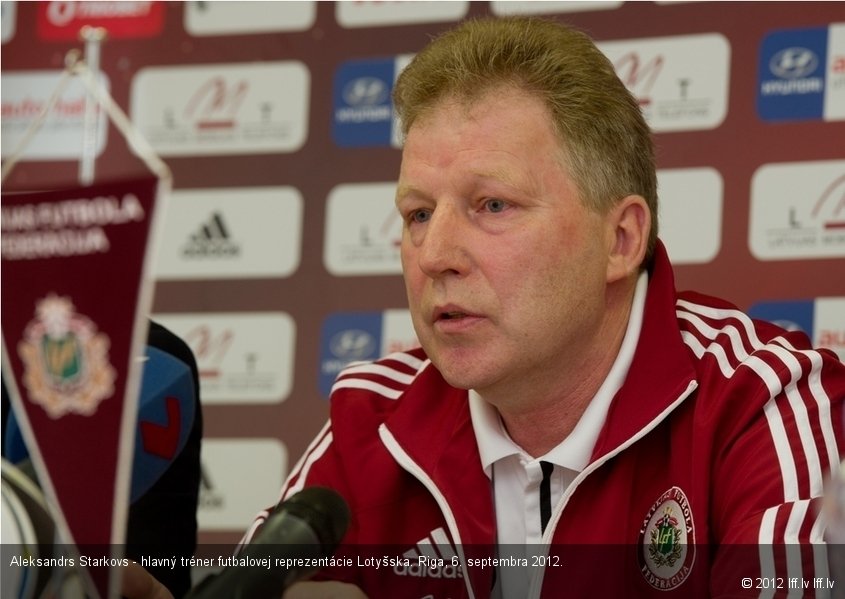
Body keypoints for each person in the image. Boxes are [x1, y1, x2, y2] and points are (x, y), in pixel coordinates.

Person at [125, 15, 845, 599]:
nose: (434, 252)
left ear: (620, 238)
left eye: (491, 205)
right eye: (415, 213)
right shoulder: (372, 418)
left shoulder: (761, 400)